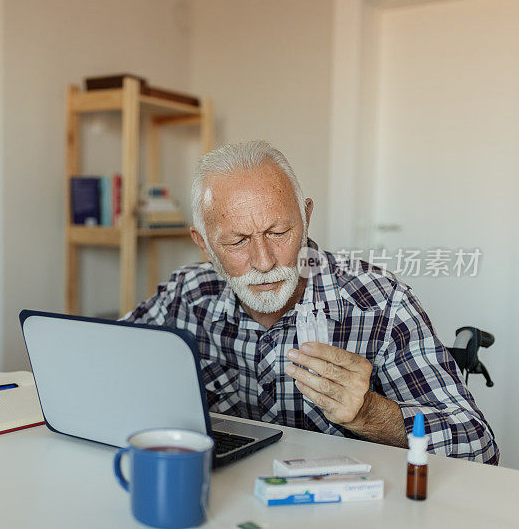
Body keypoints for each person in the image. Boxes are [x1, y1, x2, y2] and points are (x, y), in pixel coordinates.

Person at [122, 140, 499, 464]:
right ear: (203, 243)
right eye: (237, 241)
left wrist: (368, 411)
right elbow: (104, 358)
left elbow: (479, 445)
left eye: (279, 232)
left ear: (306, 217)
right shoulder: (188, 295)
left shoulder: (380, 302)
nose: (265, 261)